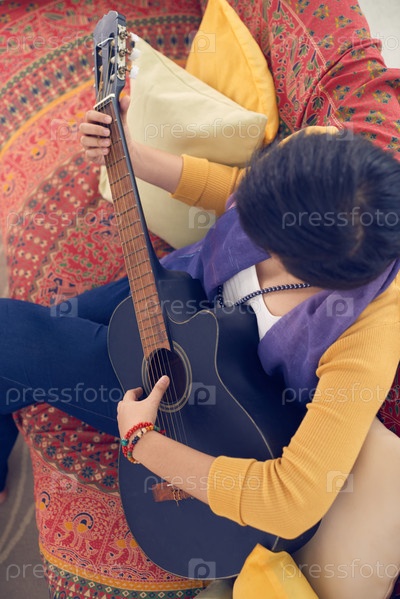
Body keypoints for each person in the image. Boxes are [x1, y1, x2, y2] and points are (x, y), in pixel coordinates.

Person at [0, 126, 399, 598]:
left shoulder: (369, 331)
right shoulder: (321, 158)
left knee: (10, 336)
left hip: (192, 401)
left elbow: (293, 502)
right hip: (174, 291)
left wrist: (142, 441)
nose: (243, 222)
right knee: (31, 343)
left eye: (263, 235)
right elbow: (239, 190)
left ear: (313, 271)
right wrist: (132, 155)